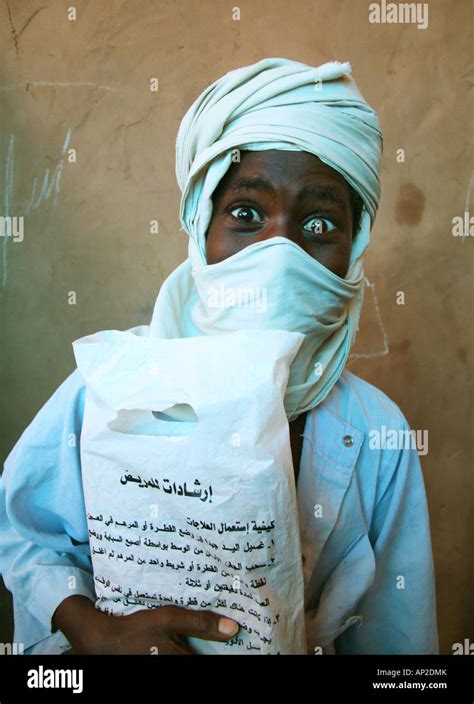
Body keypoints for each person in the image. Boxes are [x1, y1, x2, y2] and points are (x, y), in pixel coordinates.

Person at [0, 58, 439, 655]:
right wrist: (89, 628)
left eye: (318, 222)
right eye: (247, 215)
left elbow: (398, 645)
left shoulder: (378, 436)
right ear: (199, 228)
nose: (278, 253)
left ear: (354, 250)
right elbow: (26, 531)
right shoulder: (110, 386)